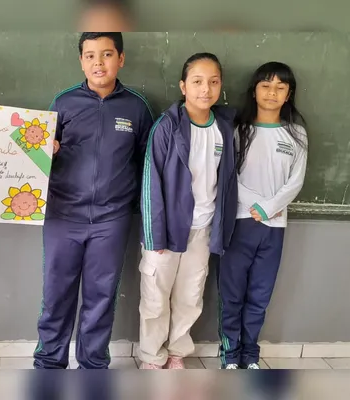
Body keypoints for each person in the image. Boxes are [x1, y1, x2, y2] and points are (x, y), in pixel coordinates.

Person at [34, 32, 154, 369]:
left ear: (121, 58)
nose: (98, 63)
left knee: (101, 298)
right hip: (62, 216)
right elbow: (35, 157)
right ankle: (48, 364)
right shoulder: (64, 103)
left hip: (111, 219)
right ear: (81, 61)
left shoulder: (137, 107)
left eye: (106, 55)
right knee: (56, 295)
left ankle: (92, 366)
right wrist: (48, 153)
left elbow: (147, 164)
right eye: (90, 56)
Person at [138, 53, 238, 369]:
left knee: (190, 296)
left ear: (221, 86)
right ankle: (152, 357)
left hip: (203, 229)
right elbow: (151, 183)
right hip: (166, 230)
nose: (205, 89)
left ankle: (176, 352)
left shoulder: (224, 127)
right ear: (183, 86)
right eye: (197, 81)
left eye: (213, 82)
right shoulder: (167, 127)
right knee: (155, 297)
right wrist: (156, 236)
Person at [218, 61, 308, 369]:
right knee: (232, 296)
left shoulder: (296, 134)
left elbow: (295, 181)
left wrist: (268, 208)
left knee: (259, 296)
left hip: (274, 227)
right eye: (266, 86)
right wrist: (255, 204)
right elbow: (228, 175)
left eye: (280, 87)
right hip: (239, 223)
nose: (272, 93)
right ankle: (229, 357)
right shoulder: (236, 130)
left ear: (288, 94)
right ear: (254, 91)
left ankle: (250, 357)